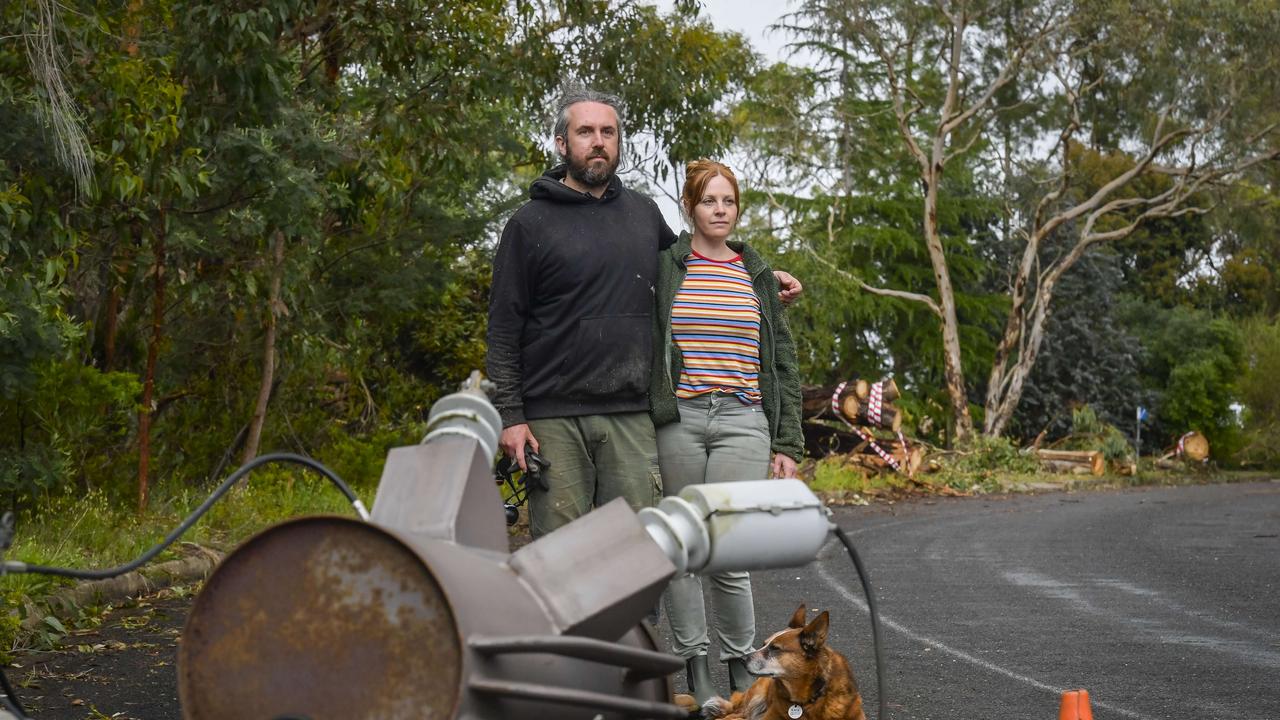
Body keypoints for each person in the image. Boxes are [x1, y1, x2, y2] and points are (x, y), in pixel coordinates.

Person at [485, 85, 802, 539]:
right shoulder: (528, 224)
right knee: (558, 555)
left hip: (633, 413)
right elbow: (502, 330)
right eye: (586, 131)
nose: (598, 141)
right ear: (561, 143)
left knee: (637, 552)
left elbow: (692, 268)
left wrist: (761, 278)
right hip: (552, 417)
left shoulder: (643, 212)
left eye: (608, 132)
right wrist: (511, 418)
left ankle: (636, 617)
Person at [648, 159, 804, 704]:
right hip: (683, 420)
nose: (719, 210)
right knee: (685, 549)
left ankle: (742, 668)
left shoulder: (756, 272)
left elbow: (781, 357)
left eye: (728, 201)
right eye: (709, 200)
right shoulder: (669, 265)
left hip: (743, 420)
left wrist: (788, 442)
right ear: (689, 207)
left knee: (728, 553)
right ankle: (696, 670)